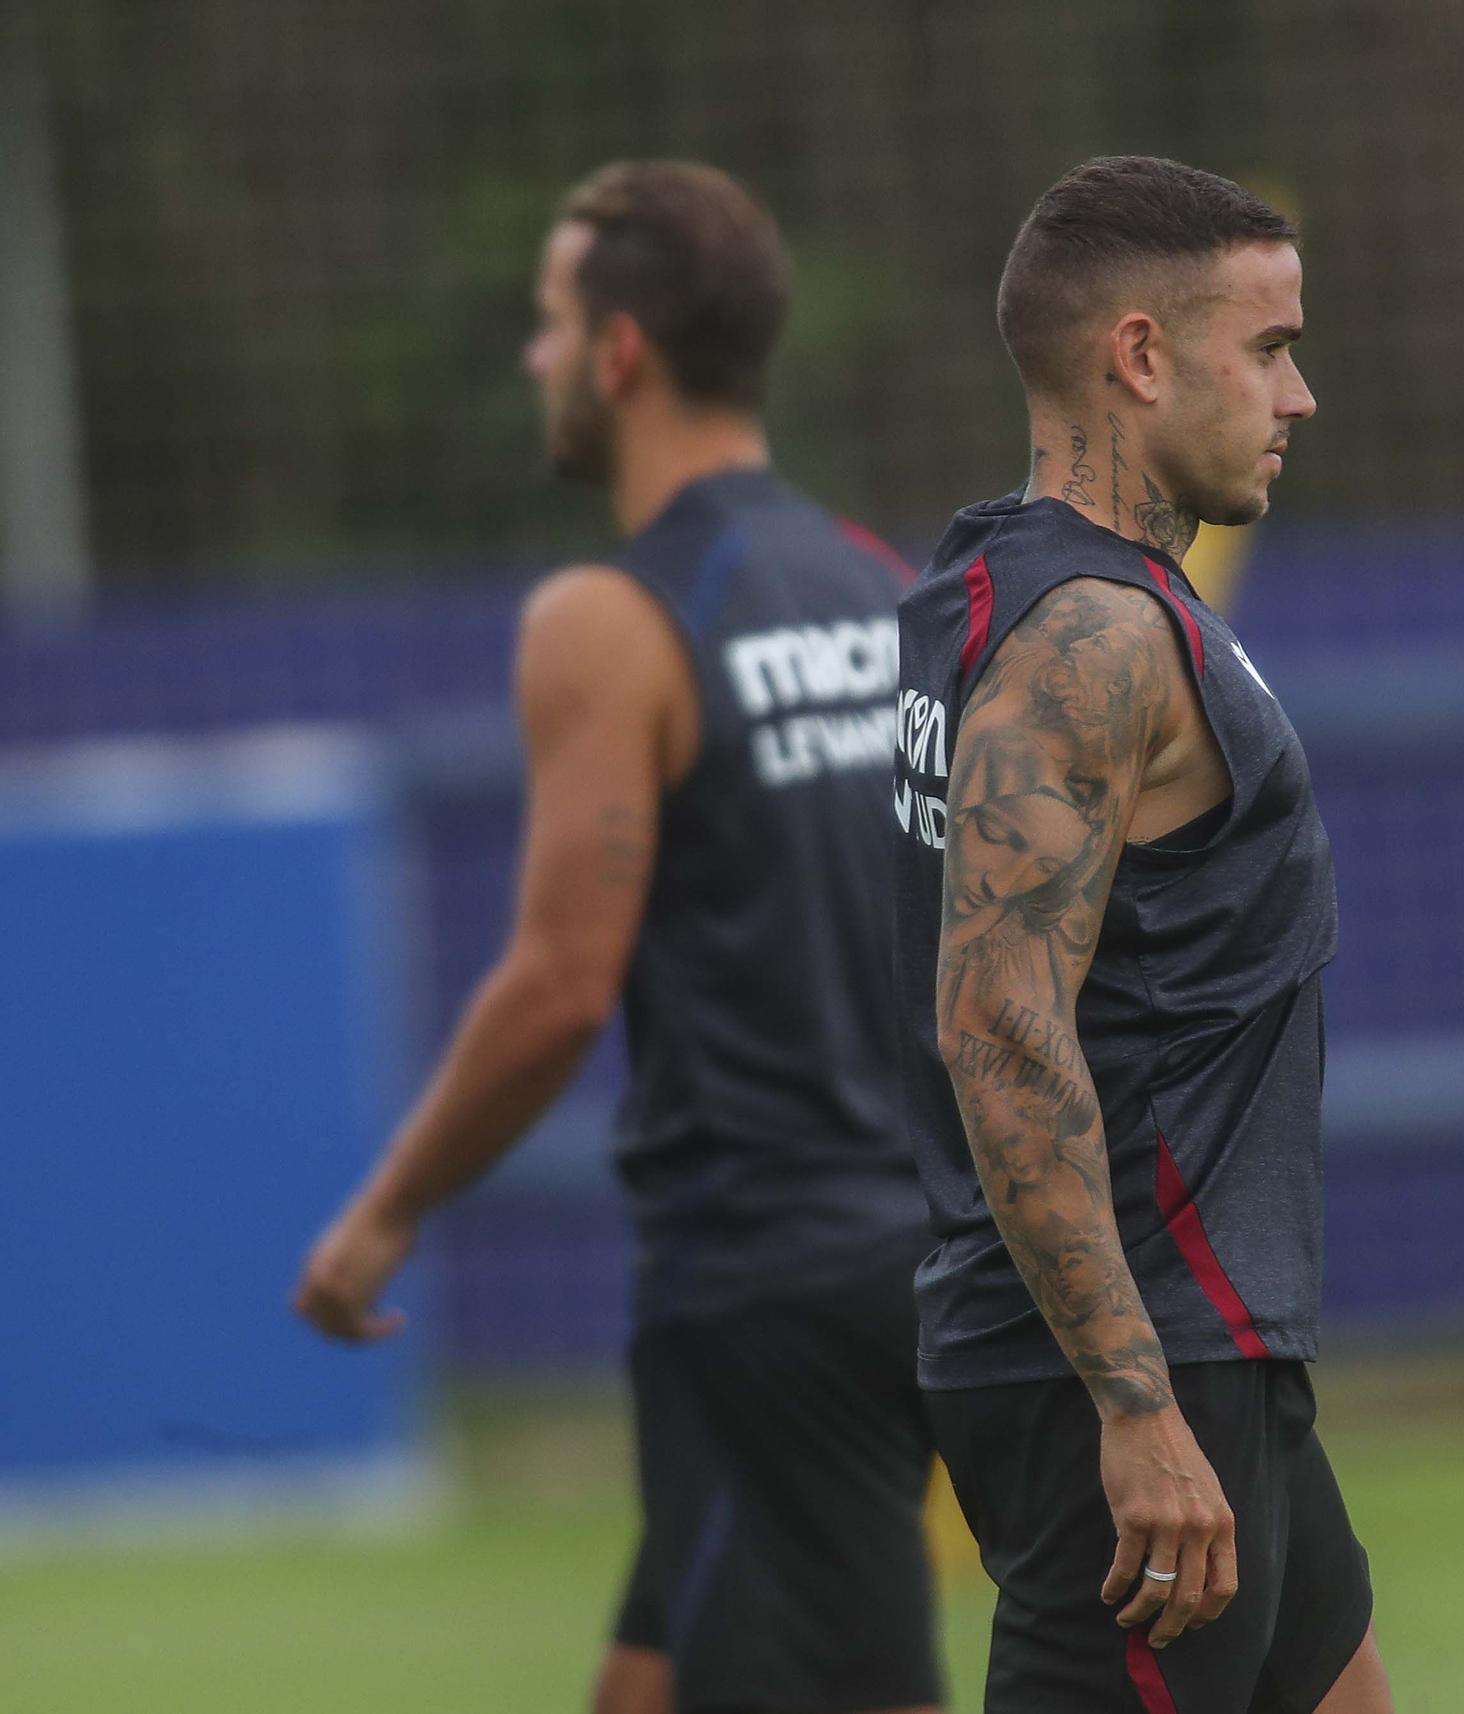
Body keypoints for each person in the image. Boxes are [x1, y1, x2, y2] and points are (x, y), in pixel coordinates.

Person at [295, 160, 942, 1714]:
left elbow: (559, 982)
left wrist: (386, 1205)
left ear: (623, 351)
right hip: (921, 1247)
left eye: (547, 321)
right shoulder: (889, 586)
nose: (533, 358)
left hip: (760, 1285)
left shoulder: (608, 621)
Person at [891, 156, 1395, 1713]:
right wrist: (1133, 1403)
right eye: (1267, 348)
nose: (1298, 395)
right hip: (1122, 1370)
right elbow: (998, 1024)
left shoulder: (995, 586)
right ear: (1138, 356)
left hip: (1193, 1345)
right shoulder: (1092, 636)